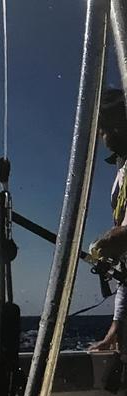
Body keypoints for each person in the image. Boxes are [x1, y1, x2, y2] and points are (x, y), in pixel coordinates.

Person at [88, 88, 127, 355]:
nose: (102, 136)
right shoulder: (120, 174)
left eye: (103, 129)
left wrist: (114, 239)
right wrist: (116, 328)